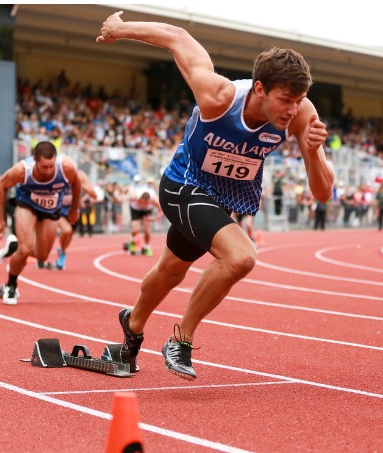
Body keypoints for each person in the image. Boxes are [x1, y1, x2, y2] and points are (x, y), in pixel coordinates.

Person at [97, 12, 334, 380]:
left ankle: (133, 324)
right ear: (259, 89)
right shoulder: (219, 96)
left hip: (220, 199)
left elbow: (322, 193)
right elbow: (177, 36)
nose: (292, 109)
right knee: (240, 257)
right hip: (182, 186)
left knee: (170, 271)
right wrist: (119, 30)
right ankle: (181, 338)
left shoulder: (301, 115)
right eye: (285, 99)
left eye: (299, 100)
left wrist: (314, 152)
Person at [0, 141, 82, 305]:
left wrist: (74, 210)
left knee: (42, 255)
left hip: (51, 208)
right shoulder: (22, 170)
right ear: (34, 160)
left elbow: (77, 184)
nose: (48, 171)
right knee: (26, 248)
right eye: (44, 167)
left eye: (51, 166)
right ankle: (11, 285)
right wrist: (0, 219)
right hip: (27, 203)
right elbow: (2, 185)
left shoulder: (66, 167)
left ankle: (13, 246)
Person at [38, 171, 97, 270]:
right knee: (66, 230)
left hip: (73, 210)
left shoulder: (80, 176)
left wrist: (83, 187)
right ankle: (62, 253)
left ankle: (62, 250)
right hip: (59, 210)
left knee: (69, 235)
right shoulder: (56, 175)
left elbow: (94, 195)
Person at [125, 174, 162, 256]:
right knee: (136, 229)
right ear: (139, 199)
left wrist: (154, 218)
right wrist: (125, 191)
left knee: (147, 231)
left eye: (146, 202)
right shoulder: (134, 195)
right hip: (135, 210)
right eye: (143, 202)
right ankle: (131, 241)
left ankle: (146, 247)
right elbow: (129, 188)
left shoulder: (154, 199)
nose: (144, 203)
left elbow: (162, 210)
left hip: (147, 211)